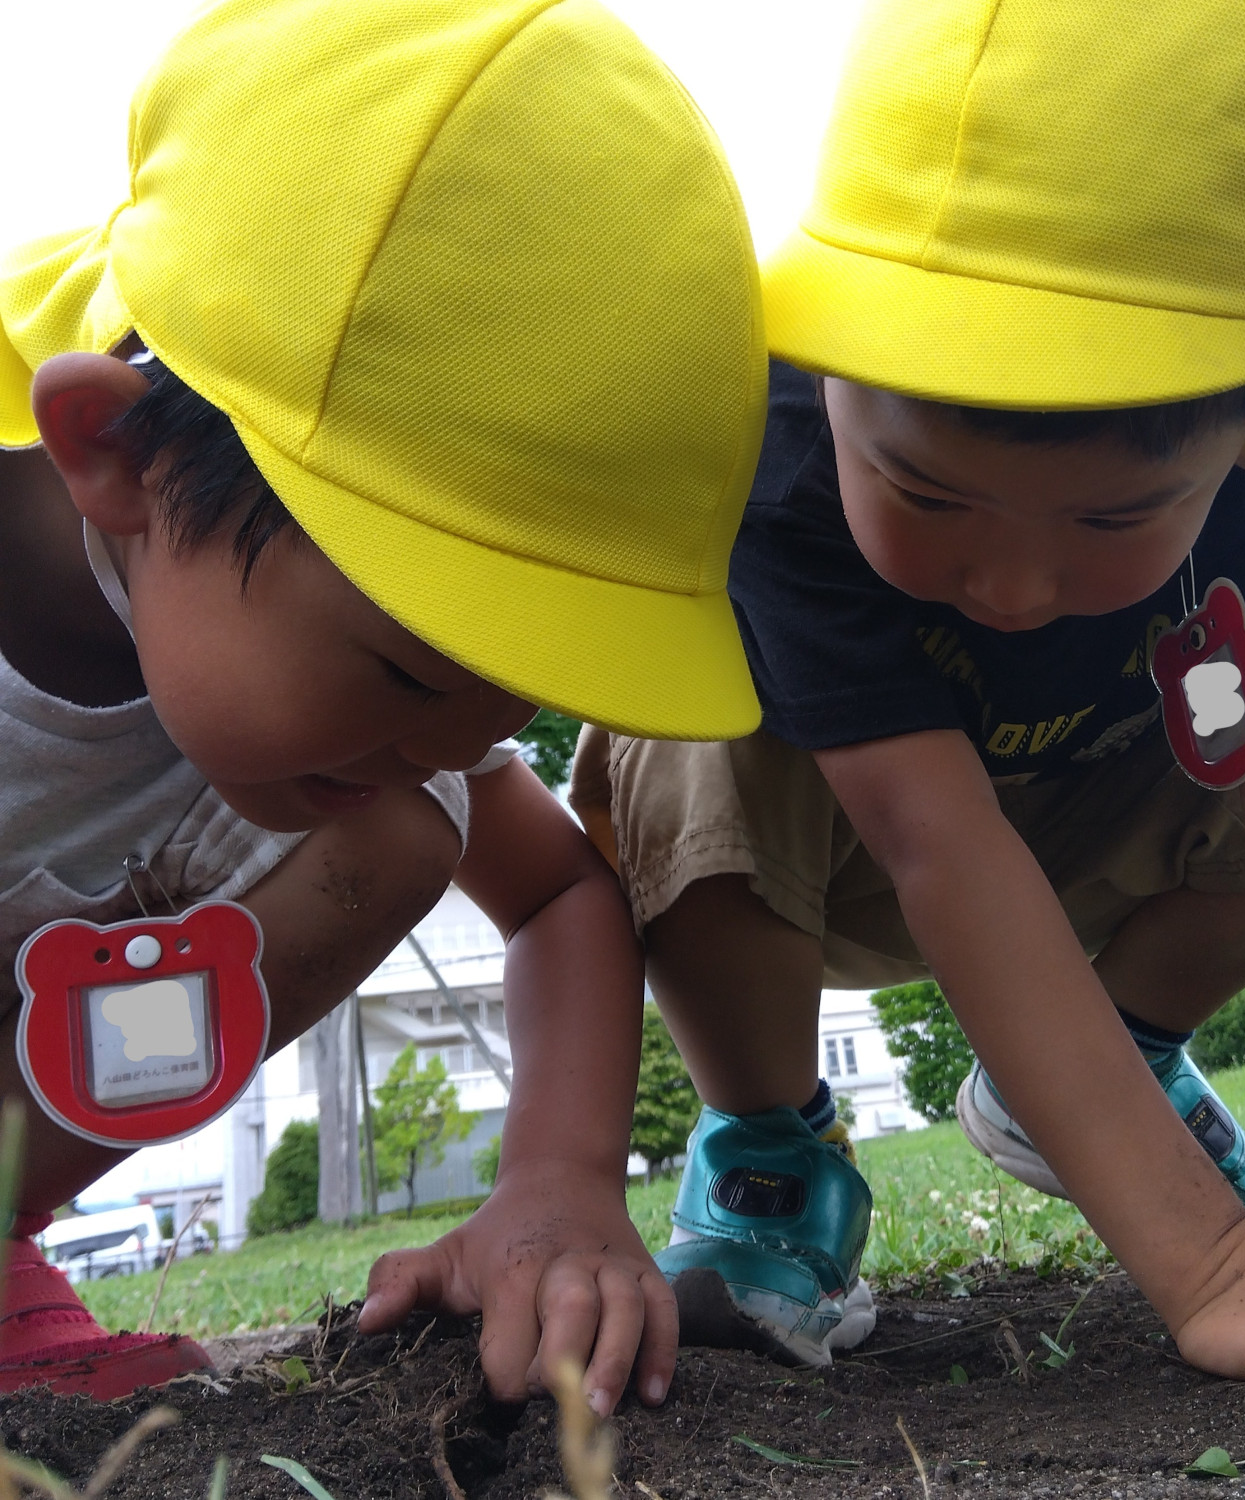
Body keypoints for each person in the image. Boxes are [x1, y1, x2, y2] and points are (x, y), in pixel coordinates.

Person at [571, 0, 1245, 1388]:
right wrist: (1218, 1264)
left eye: (1116, 519)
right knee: (679, 734)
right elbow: (935, 841)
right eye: (927, 493)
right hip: (837, 859)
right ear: (830, 381)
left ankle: (1101, 1063)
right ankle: (770, 1140)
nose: (1010, 585)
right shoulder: (775, 448)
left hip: (1090, 837)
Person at [0, 0, 766, 1413]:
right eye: (413, 672)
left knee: (398, 835)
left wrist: (556, 1179)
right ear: (112, 451)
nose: (462, 745)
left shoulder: (373, 729)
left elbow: (555, 899)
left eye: (508, 699)